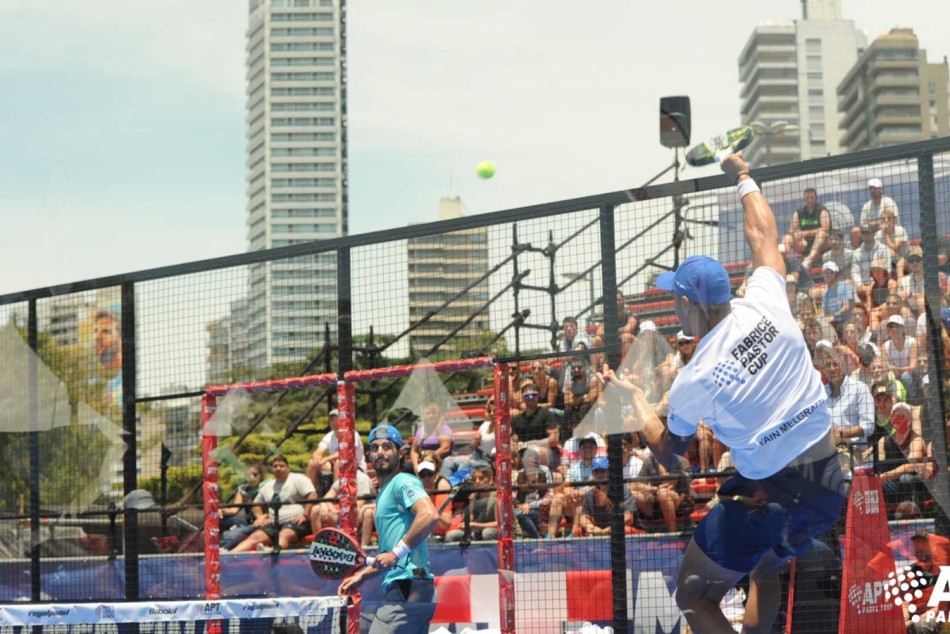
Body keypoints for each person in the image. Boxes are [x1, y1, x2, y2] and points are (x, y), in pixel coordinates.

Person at [605, 153, 846, 634]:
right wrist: (743, 176)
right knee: (764, 568)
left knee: (693, 594)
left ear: (688, 304)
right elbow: (764, 235)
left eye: (675, 297)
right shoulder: (765, 301)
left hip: (769, 498)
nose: (673, 305)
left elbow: (668, 453)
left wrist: (634, 399)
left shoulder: (696, 377)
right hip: (828, 487)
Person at [338, 425, 439, 633]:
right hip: (411, 587)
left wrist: (395, 554)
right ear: (369, 455)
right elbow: (388, 557)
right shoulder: (384, 493)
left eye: (387, 446)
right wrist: (361, 576)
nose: (380, 452)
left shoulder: (402, 481)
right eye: (375, 448)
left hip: (409, 586)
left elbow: (429, 515)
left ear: (400, 453)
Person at [233, 455, 316, 553]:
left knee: (283, 535)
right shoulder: (268, 486)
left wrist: (305, 515)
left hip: (295, 522)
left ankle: (271, 553)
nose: (278, 468)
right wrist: (260, 517)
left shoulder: (298, 479)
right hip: (273, 523)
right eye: (275, 466)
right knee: (254, 537)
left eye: (281, 466)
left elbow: (312, 495)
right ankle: (228, 556)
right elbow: (256, 504)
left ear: (288, 468)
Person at [307, 409, 367, 495]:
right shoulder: (329, 436)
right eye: (332, 420)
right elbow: (319, 451)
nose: (334, 422)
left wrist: (325, 459)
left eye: (337, 419)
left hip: (356, 467)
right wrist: (317, 458)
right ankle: (312, 494)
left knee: (339, 462)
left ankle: (336, 495)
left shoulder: (352, 433)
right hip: (335, 465)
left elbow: (345, 453)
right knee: (312, 463)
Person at [576, 456, 636, 536]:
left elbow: (628, 519)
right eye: (597, 472)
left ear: (609, 471)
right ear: (593, 473)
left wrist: (608, 530)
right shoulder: (589, 494)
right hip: (599, 530)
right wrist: (591, 528)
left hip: (620, 530)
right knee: (578, 531)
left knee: (626, 530)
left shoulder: (622, 491)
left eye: (603, 471)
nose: (600, 474)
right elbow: (583, 518)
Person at [220, 461, 265, 551]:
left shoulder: (266, 487)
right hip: (249, 522)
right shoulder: (243, 490)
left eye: (255, 474)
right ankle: (212, 540)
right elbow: (234, 510)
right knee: (222, 518)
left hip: (263, 521)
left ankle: (224, 548)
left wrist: (262, 517)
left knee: (242, 531)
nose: (251, 477)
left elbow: (273, 511)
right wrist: (221, 510)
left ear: (260, 475)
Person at [784, 187, 830, 269]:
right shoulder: (798, 213)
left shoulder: (822, 210)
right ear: (804, 199)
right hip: (805, 245)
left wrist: (805, 233)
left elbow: (826, 228)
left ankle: (808, 261)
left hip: (822, 244)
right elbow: (791, 231)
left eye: (812, 198)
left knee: (822, 234)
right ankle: (784, 262)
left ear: (816, 198)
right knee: (787, 237)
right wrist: (795, 234)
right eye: (807, 198)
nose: (809, 200)